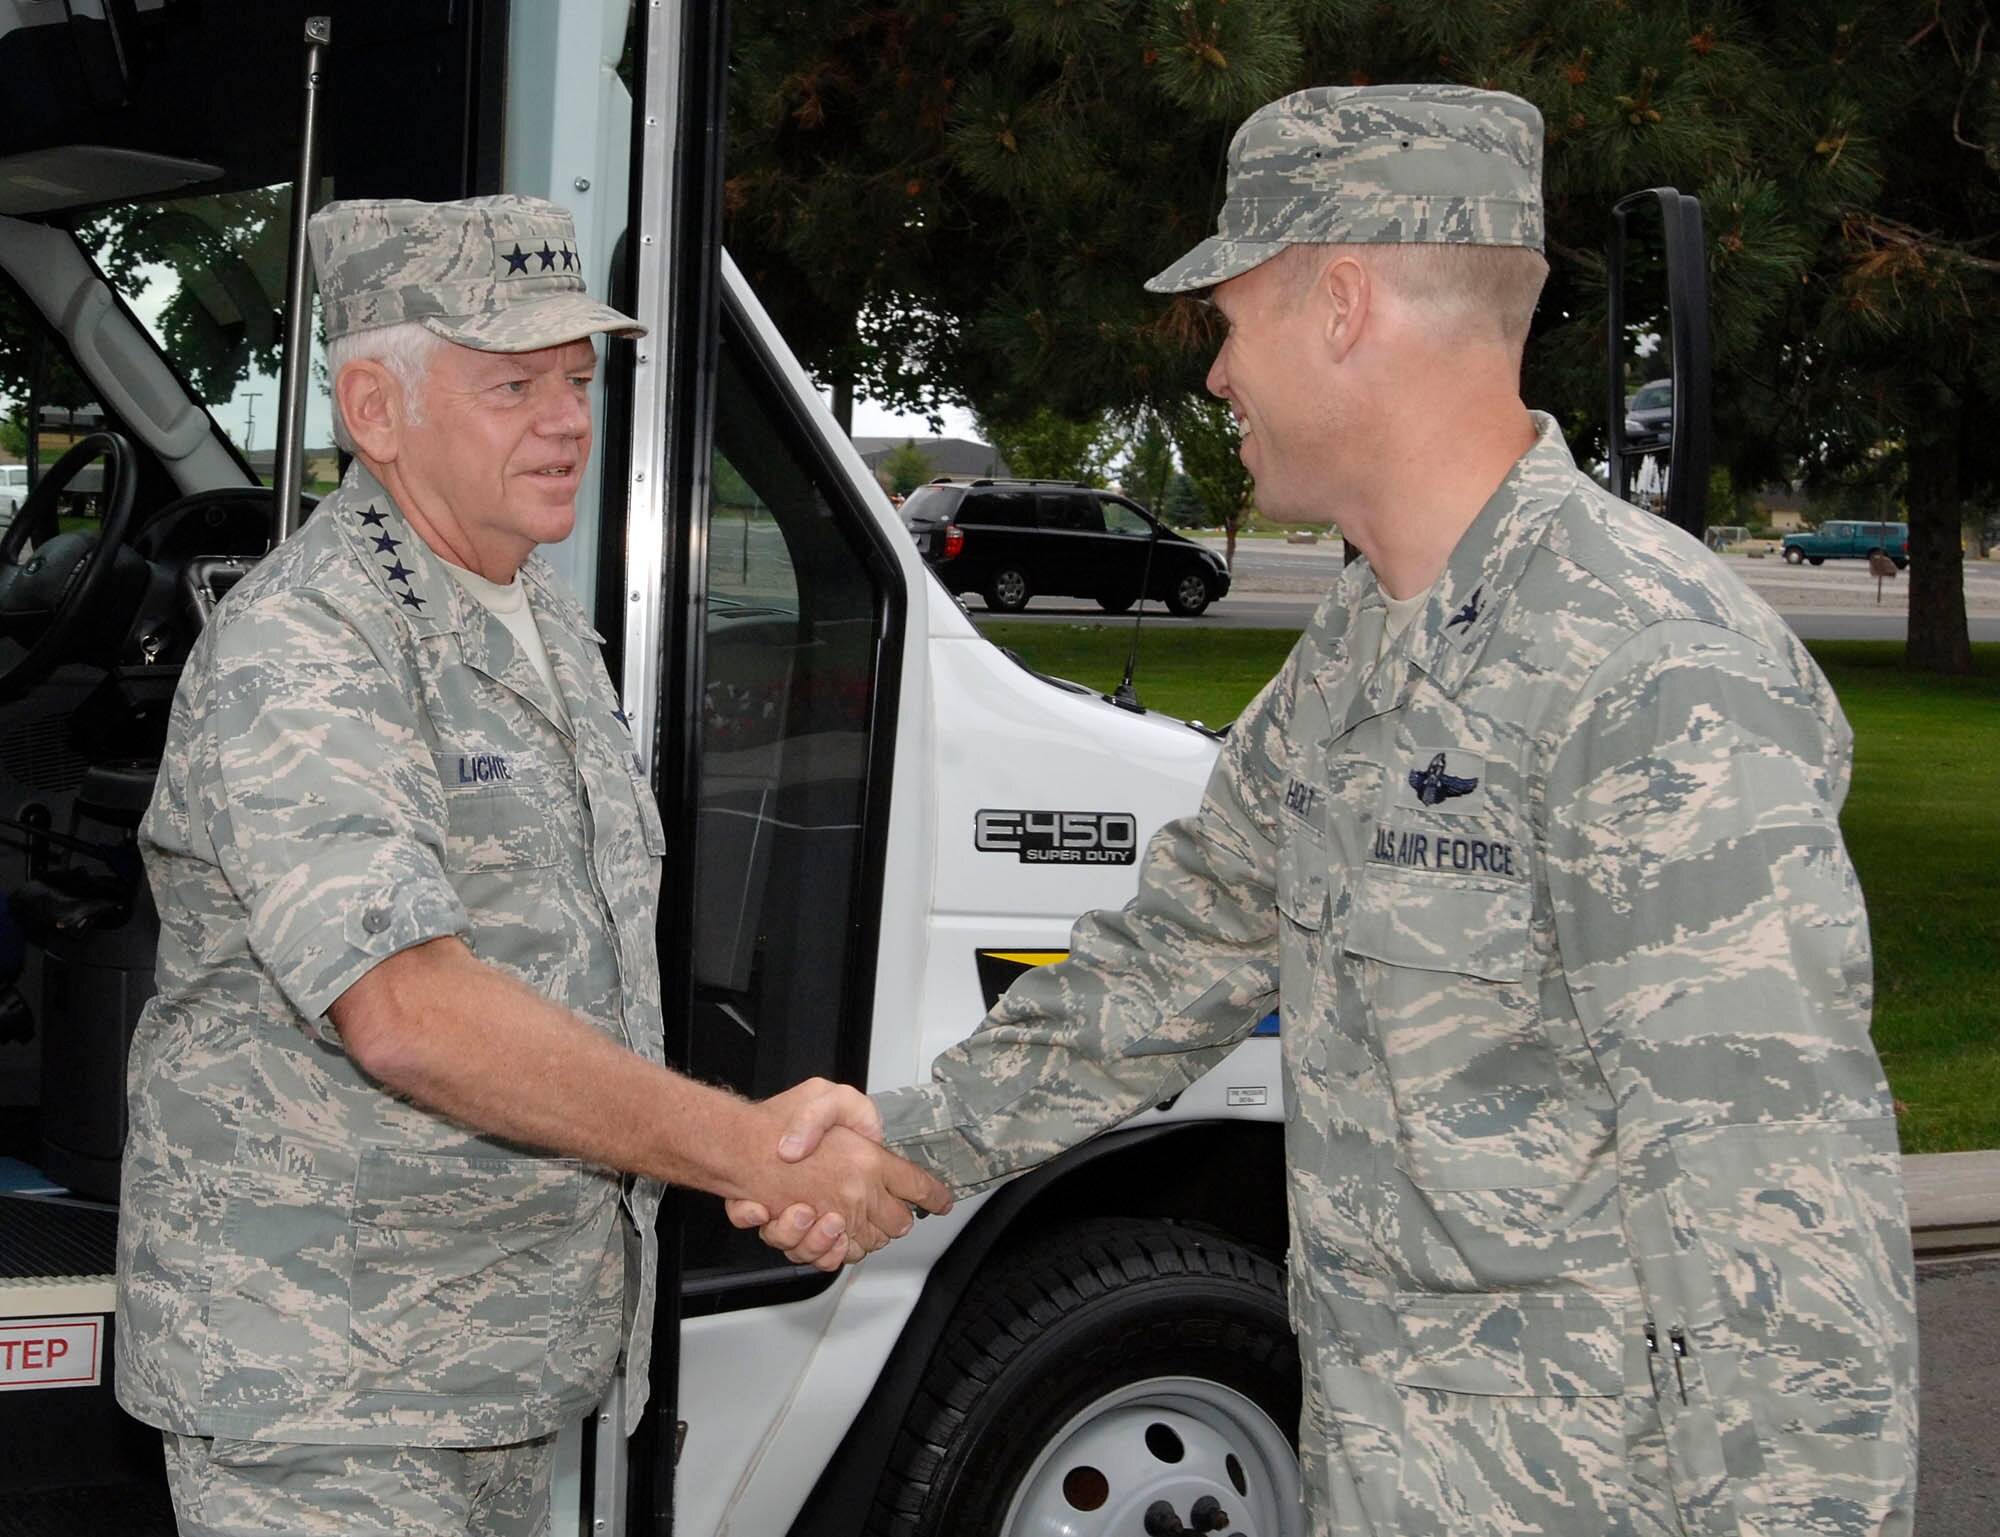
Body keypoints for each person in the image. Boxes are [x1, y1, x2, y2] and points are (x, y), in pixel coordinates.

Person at [736, 86, 1918, 1536]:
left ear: (1343, 302)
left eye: (1232, 318)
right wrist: (908, 1145)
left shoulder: (1654, 674)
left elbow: (1782, 1262)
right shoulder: (1359, 654)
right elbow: (1176, 953)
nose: (1219, 375)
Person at [115, 194, 950, 1537]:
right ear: (377, 411)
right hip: (326, 1394)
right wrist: (746, 1145)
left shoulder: (540, 625)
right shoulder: (308, 647)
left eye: (577, 377)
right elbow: (411, 1014)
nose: (568, 418)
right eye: (514, 384)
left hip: (483, 1372)